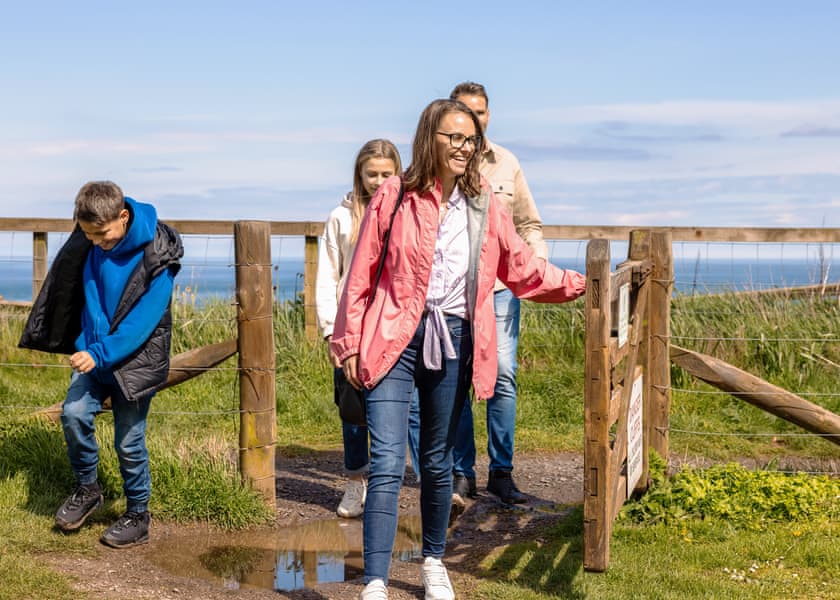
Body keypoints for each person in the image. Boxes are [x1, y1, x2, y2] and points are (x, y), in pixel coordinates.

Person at [331, 99, 585, 600]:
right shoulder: (393, 196)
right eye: (455, 138)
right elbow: (360, 274)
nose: (465, 148)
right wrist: (348, 344)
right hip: (392, 339)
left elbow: (521, 268)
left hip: (455, 339)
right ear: (430, 138)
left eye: (471, 140)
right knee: (385, 461)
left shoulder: (485, 202)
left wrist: (582, 284)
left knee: (437, 459)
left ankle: (431, 562)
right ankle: (376, 582)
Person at [19, 180, 183, 548]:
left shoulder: (159, 257)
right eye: (89, 234)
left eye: (102, 233)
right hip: (96, 360)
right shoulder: (92, 243)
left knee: (129, 442)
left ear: (123, 217)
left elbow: (141, 324)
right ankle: (88, 488)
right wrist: (85, 346)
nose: (95, 241)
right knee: (74, 414)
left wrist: (99, 353)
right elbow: (86, 300)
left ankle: (138, 513)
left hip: (135, 363)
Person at [449, 81, 548, 507]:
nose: (475, 118)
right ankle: (460, 473)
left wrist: (533, 269)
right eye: (466, 110)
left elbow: (529, 224)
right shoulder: (440, 163)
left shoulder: (507, 163)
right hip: (454, 293)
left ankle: (501, 473)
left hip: (502, 290)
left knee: (503, 375)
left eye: (481, 111)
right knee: (455, 379)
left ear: (489, 116)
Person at [316, 139, 412, 518]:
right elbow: (327, 276)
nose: (378, 180)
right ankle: (356, 483)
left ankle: (397, 483)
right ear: (359, 174)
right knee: (353, 409)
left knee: (404, 407)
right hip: (351, 328)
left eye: (386, 174)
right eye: (371, 174)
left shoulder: (408, 213)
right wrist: (330, 331)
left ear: (398, 173)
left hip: (393, 325)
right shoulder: (340, 218)